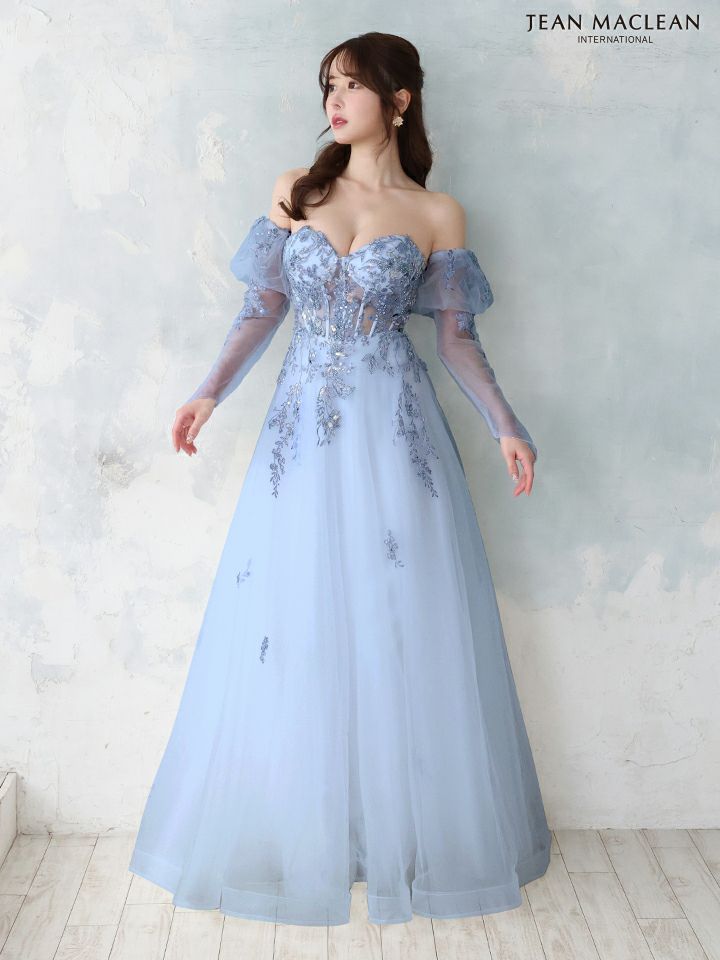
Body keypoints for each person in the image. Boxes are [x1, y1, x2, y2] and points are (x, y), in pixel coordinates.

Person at [129, 31, 551, 927]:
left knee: (399, 617)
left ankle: (397, 837)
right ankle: (301, 830)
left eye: (353, 85)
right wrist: (207, 392)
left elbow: (458, 342)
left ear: (399, 101)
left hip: (395, 433)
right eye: (329, 84)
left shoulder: (437, 214)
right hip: (302, 441)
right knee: (293, 616)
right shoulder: (298, 191)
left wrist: (506, 425)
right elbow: (262, 309)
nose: (334, 99)